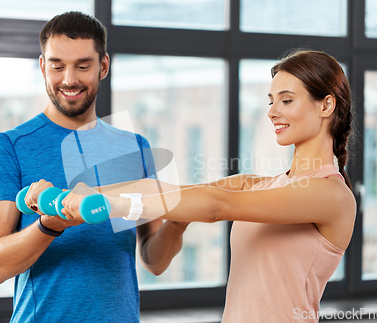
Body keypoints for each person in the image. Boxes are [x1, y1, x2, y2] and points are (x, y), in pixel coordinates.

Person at [26, 49, 356, 322]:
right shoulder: (259, 185)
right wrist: (80, 196)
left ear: (326, 105)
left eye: (285, 100)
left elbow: (216, 205)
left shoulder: (331, 195)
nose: (271, 111)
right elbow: (173, 192)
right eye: (271, 100)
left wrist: (109, 203)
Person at [0, 11, 189, 323]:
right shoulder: (9, 146)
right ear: (42, 66)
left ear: (103, 66)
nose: (69, 79)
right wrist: (49, 226)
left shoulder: (135, 147)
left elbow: (153, 261)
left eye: (82, 65)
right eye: (57, 65)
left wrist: (179, 221)